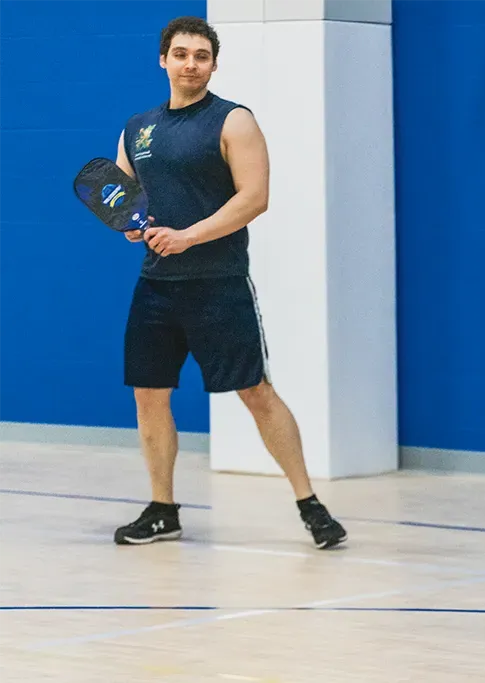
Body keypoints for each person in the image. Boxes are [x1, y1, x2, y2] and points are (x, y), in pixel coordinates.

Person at [110, 16, 347, 549]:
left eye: (201, 55)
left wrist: (189, 236)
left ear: (214, 64)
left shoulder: (233, 121)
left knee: (255, 392)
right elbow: (127, 201)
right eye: (180, 53)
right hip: (156, 286)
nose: (190, 63)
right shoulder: (136, 128)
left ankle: (310, 505)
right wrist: (133, 229)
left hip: (218, 283)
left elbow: (254, 198)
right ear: (163, 60)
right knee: (149, 395)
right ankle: (163, 509)